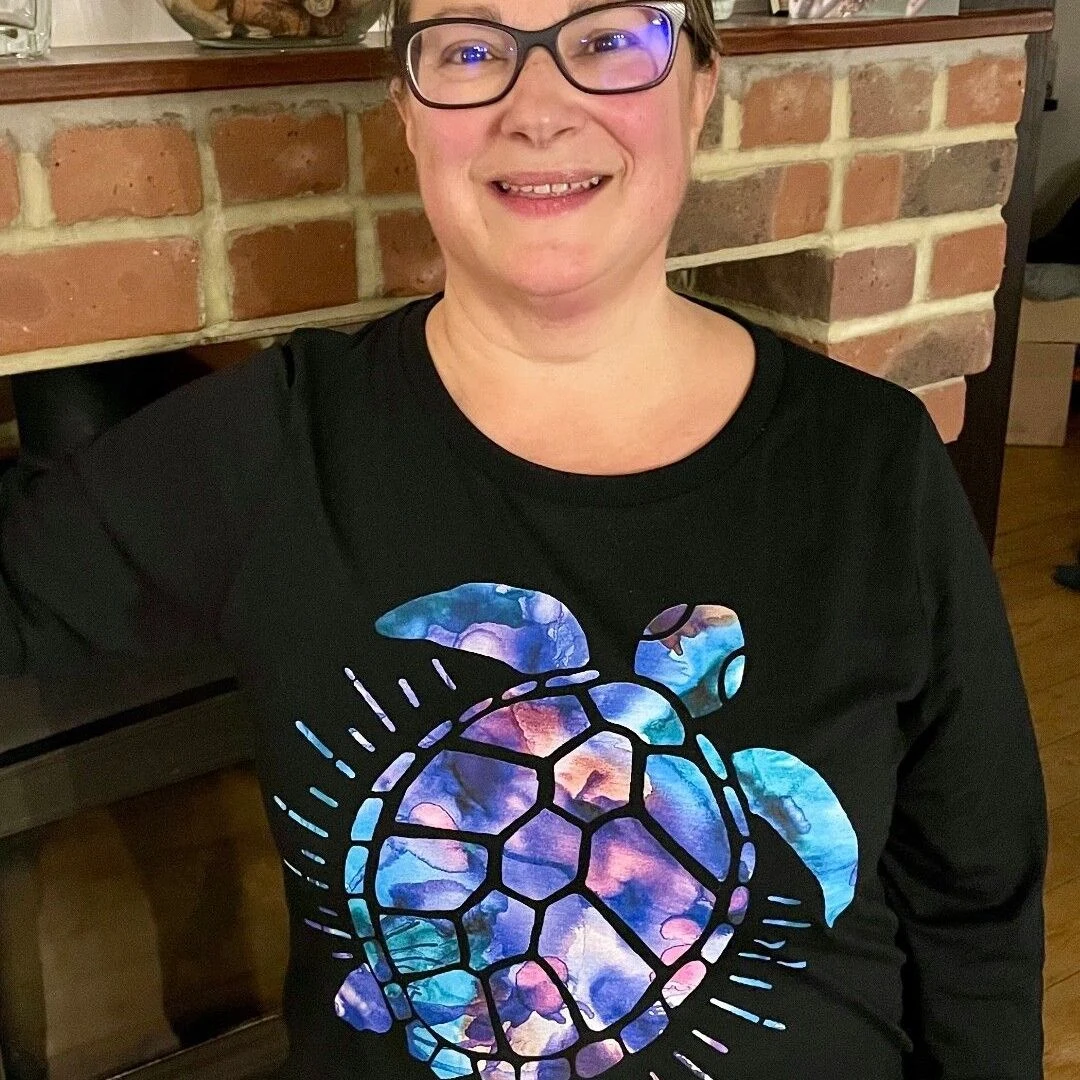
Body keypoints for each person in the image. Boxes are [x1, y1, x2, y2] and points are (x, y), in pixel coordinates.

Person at [0, 2, 1047, 1078]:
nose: (538, 107)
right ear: (408, 110)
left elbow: (975, 897)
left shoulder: (871, 460)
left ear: (699, 87)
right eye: (471, 50)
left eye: (609, 40)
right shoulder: (284, 442)